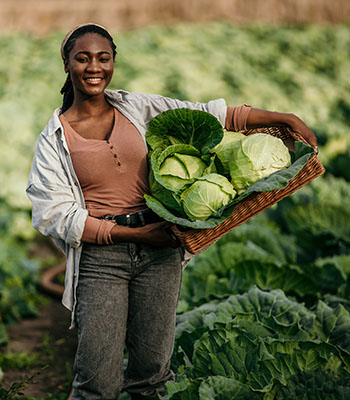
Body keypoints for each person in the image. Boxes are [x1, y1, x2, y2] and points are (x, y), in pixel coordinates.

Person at [26, 23, 317, 400]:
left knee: (151, 376)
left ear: (113, 62)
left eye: (103, 58)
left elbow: (211, 116)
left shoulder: (138, 107)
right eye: (82, 58)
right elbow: (55, 214)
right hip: (102, 259)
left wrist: (285, 119)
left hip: (161, 250)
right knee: (98, 382)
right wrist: (132, 235)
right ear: (66, 64)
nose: (93, 67)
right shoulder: (55, 138)